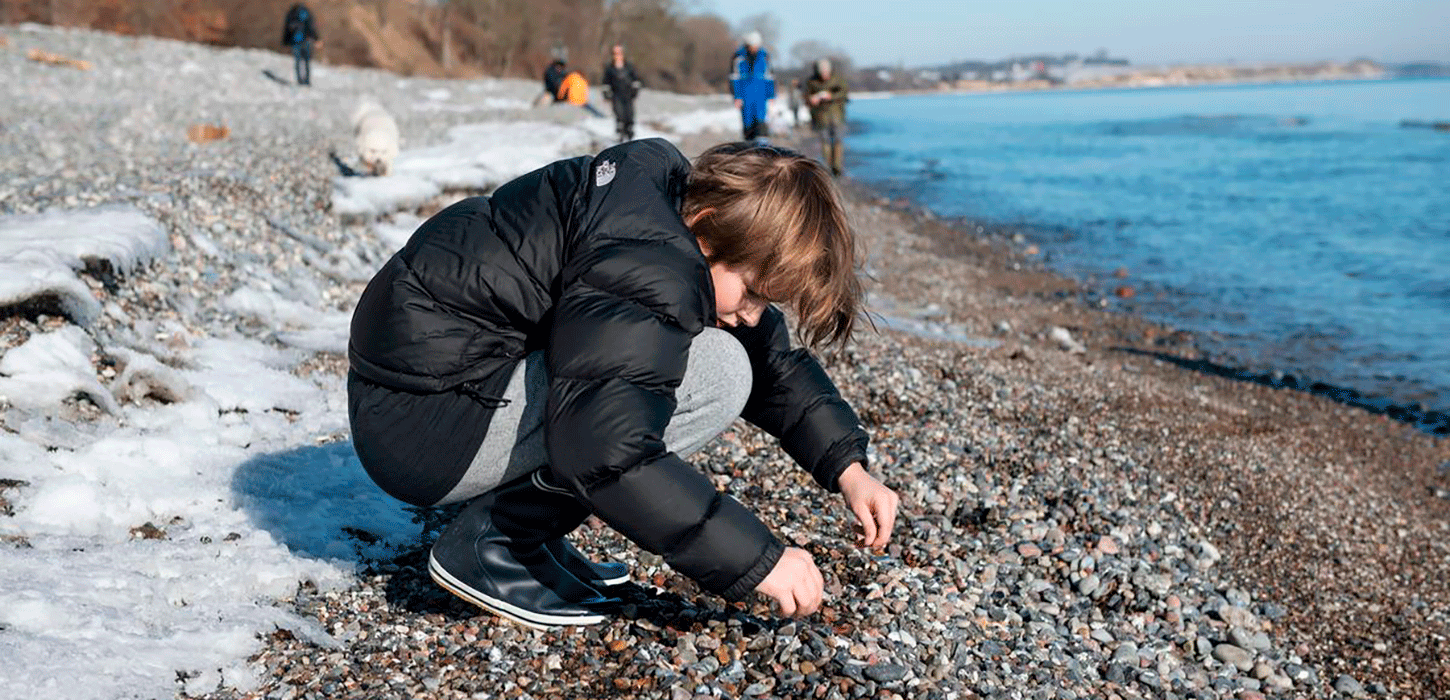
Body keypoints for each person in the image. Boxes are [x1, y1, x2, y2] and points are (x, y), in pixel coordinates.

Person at [347, 138, 900, 629]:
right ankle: (497, 542)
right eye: (754, 293)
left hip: (424, 400)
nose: (754, 314)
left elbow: (772, 357)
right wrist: (759, 561)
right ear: (708, 228)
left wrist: (849, 470)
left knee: (721, 353)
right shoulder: (648, 260)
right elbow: (604, 446)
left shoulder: (658, 210)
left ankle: (524, 532)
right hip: (422, 431)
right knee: (719, 372)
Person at [806, 58, 849, 177]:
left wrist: (831, 96)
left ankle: (837, 167)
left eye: (826, 72)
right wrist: (812, 99)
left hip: (837, 115)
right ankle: (828, 166)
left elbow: (844, 93)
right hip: (820, 116)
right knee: (825, 141)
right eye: (822, 73)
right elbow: (806, 96)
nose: (825, 75)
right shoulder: (812, 82)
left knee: (838, 140)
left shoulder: (838, 80)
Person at [729, 31, 775, 142]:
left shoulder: (765, 57)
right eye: (752, 45)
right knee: (748, 123)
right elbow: (734, 79)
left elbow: (769, 78)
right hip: (745, 96)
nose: (754, 48)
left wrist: (771, 95)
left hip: (761, 96)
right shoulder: (738, 57)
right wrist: (737, 97)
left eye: (756, 45)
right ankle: (749, 144)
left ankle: (762, 145)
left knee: (761, 121)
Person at [534, 59, 606, 117]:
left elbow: (562, 90)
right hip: (582, 101)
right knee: (588, 108)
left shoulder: (568, 77)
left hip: (569, 100)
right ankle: (600, 115)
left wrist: (560, 97)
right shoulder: (582, 79)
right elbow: (586, 91)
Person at [601, 44, 643, 142]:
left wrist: (635, 90)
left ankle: (630, 133)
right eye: (615, 53)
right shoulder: (610, 68)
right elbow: (606, 82)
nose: (617, 55)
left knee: (629, 114)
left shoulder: (629, 66)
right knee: (619, 114)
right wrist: (606, 93)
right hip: (616, 94)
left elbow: (636, 80)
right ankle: (620, 134)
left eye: (619, 53)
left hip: (628, 94)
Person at [281, 3, 320, 87]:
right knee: (306, 62)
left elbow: (287, 29)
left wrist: (285, 42)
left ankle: (300, 80)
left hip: (295, 41)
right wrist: (316, 38)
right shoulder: (307, 12)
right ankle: (307, 81)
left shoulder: (291, 13)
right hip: (307, 40)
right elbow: (311, 27)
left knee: (298, 62)